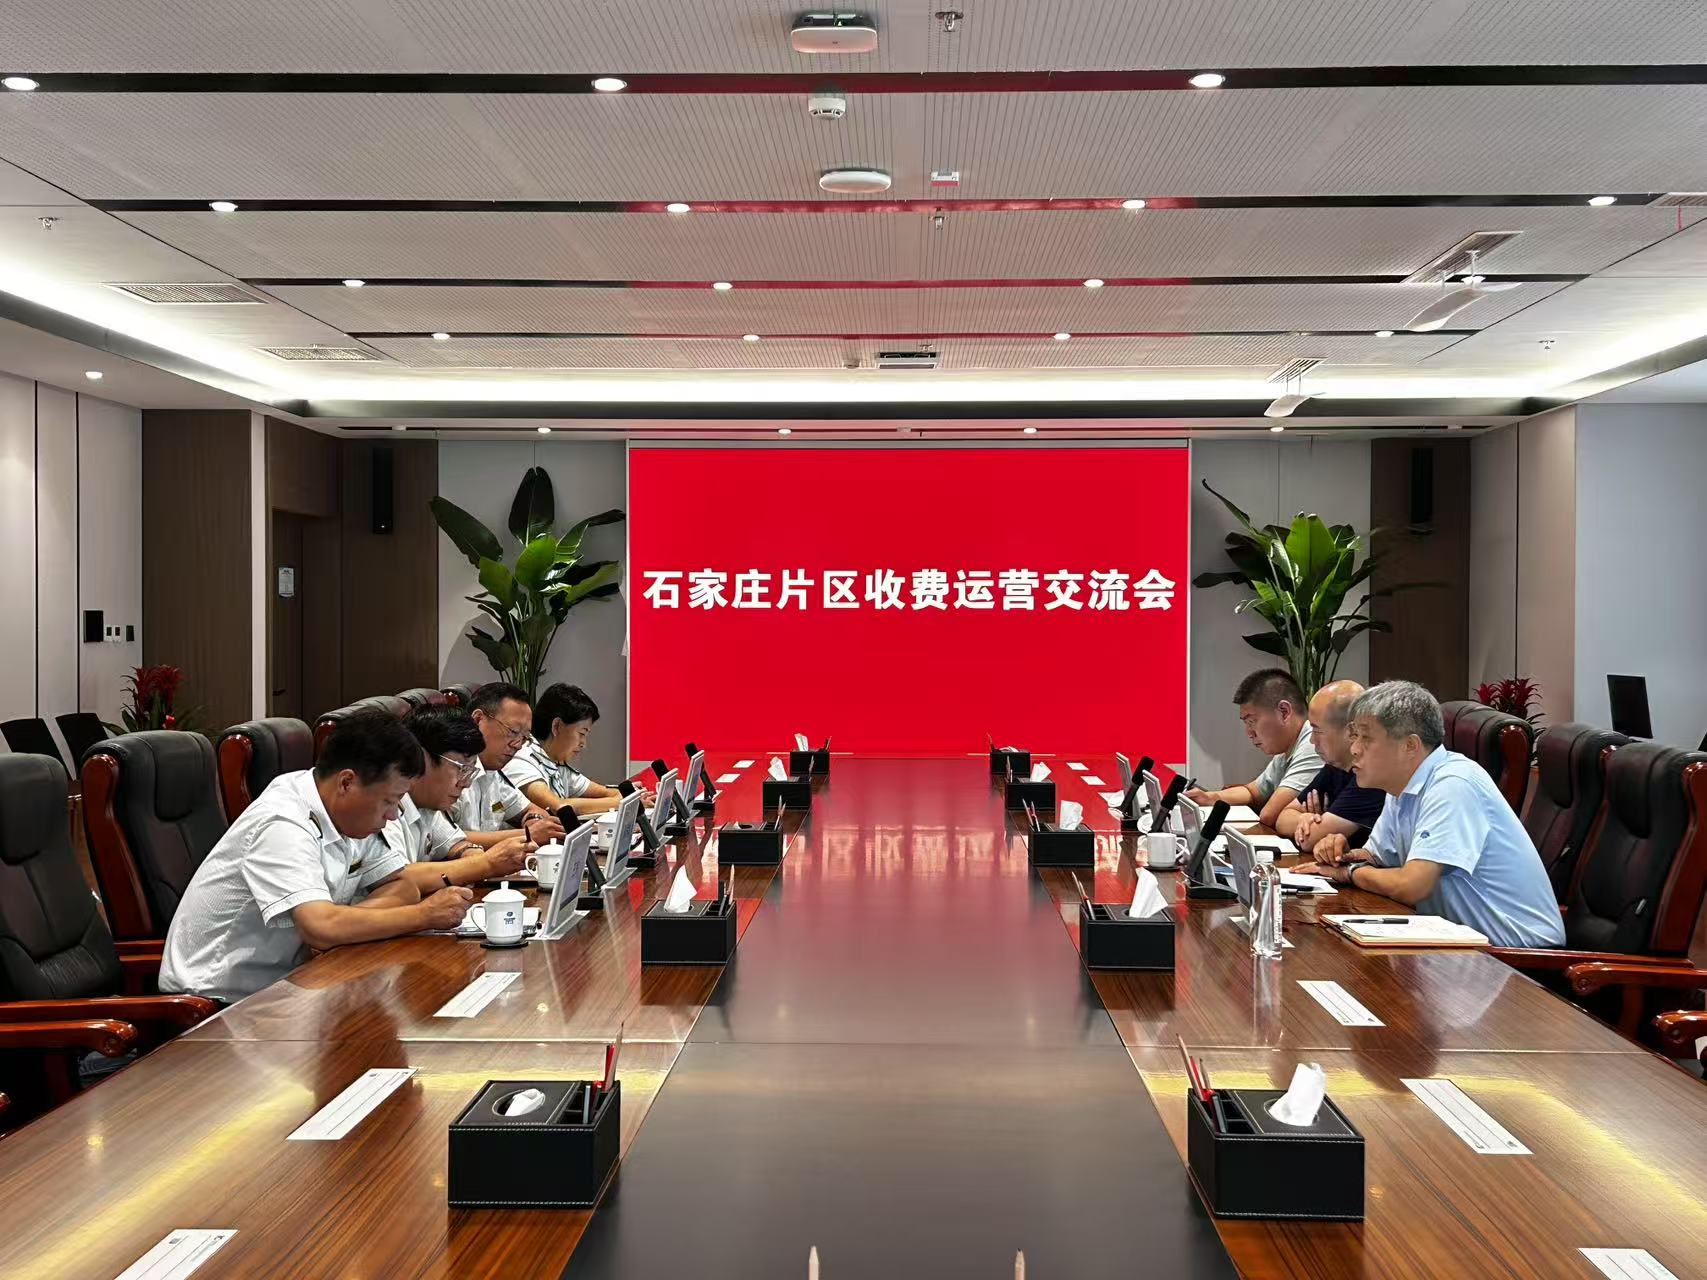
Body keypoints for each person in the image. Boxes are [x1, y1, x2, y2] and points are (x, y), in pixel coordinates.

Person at [160, 710, 475, 1004]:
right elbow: (320, 927)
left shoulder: (351, 815)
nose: (394, 815)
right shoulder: (283, 822)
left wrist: (343, 925)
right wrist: (423, 915)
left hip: (299, 982)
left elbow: (403, 886)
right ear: (347, 782)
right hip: (222, 1002)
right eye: (389, 801)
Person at [1300, 680, 1565, 949]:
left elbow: (1412, 885)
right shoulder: (1400, 787)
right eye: (1354, 737)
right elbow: (1377, 859)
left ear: (1410, 746)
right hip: (1457, 945)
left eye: (1365, 738)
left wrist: (1351, 872)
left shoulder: (1453, 784)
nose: (1354, 748)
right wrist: (1341, 853)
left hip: (1518, 956)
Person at [383, 705, 534, 884]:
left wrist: (472, 853)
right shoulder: (385, 806)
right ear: (421, 758)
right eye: (461, 769)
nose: (466, 783)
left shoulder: (428, 805)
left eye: (471, 771)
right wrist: (487, 863)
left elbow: (455, 843)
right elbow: (397, 877)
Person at [1185, 668, 1324, 828]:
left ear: (1284, 712)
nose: (1249, 733)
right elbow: (1253, 792)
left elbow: (1270, 815)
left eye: (1251, 721)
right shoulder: (1287, 748)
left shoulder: (1313, 745)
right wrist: (1209, 798)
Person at [1272, 680, 1387, 851]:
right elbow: (1282, 819)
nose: (1312, 740)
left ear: (1351, 731)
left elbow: (1308, 840)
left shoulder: (1371, 778)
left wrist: (1314, 823)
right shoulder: (1335, 767)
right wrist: (1306, 819)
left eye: (1317, 730)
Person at [504, 683, 648, 816]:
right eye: (581, 733)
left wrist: (629, 795)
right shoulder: (522, 760)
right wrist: (624, 802)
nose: (583, 744)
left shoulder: (555, 761)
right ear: (557, 726)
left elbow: (606, 792)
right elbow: (559, 807)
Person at [452, 682, 564, 847]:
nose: (517, 745)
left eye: (524, 737)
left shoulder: (493, 772)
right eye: (513, 732)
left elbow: (531, 810)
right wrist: (528, 834)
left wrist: (533, 819)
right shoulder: (449, 770)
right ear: (477, 720)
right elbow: (446, 838)